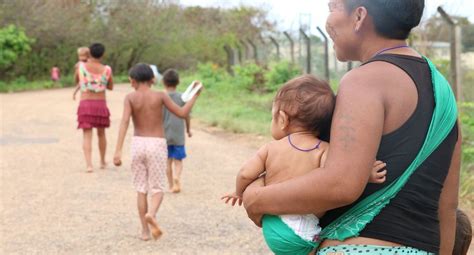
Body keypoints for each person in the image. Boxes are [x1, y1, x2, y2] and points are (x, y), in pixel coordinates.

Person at [242, 1, 460, 255]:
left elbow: (341, 184)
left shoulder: (363, 80)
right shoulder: (443, 92)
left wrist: (256, 199)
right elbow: (447, 206)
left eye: (332, 8)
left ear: (358, 16)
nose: (329, 21)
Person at [222, 75, 387, 255]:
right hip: (305, 228)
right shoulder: (324, 150)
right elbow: (342, 175)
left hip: (273, 224)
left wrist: (239, 192)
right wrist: (366, 174)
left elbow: (246, 174)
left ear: (283, 119)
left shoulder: (270, 148)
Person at [113, 63, 201, 241]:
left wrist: (118, 151)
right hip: (157, 144)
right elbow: (183, 113)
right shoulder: (160, 95)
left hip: (138, 144)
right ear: (153, 80)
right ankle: (151, 214)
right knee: (157, 188)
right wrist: (195, 96)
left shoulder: (130, 97)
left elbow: (124, 122)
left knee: (141, 189)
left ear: (133, 80)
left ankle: (144, 232)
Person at [75, 43, 114, 173]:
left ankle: (89, 165)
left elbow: (77, 80)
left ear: (89, 53)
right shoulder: (107, 69)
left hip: (85, 104)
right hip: (100, 104)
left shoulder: (81, 67)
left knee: (87, 135)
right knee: (101, 134)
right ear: (102, 54)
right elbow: (110, 86)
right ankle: (102, 161)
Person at [161, 69, 192, 193]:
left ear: (164, 82)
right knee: (178, 160)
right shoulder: (181, 97)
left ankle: (170, 185)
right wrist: (188, 130)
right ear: (178, 82)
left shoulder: (161, 97)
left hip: (164, 135)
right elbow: (186, 115)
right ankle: (177, 177)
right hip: (178, 135)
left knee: (167, 161)